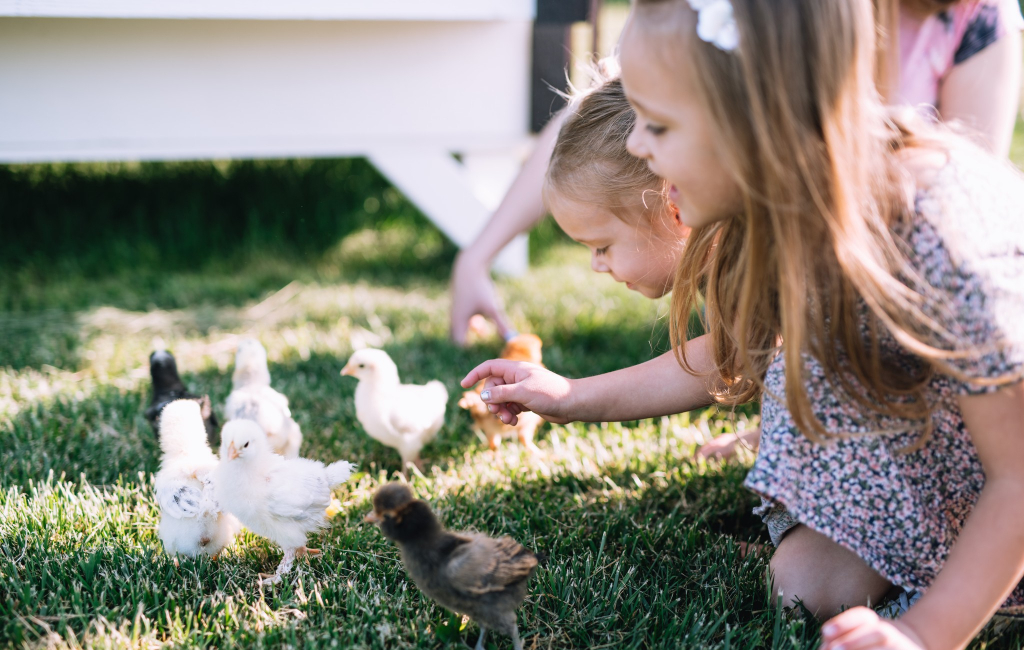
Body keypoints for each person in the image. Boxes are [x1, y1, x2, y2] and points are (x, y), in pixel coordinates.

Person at [462, 0, 1024, 646]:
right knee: (799, 586)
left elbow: (1018, 476)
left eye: (659, 125)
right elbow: (734, 355)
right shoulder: (792, 207)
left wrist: (924, 633)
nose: (637, 146)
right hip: (925, 454)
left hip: (1000, 473)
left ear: (758, 122)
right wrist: (568, 396)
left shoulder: (942, 238)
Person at [449, 0, 1022, 347]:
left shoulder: (974, 21)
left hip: (884, 291)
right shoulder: (740, 18)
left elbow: (954, 220)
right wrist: (479, 253)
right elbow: (605, 117)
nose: (637, 142)